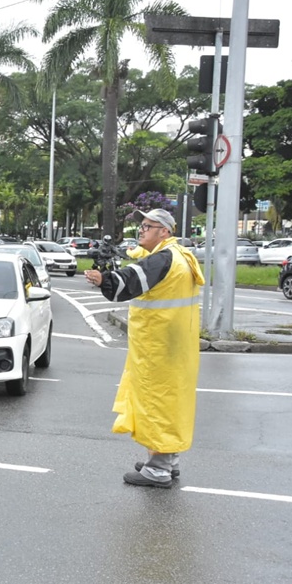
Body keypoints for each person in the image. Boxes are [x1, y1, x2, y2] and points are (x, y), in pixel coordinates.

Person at [84, 209, 205, 488]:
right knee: (170, 402)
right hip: (173, 345)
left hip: (158, 347)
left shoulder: (163, 259)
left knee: (156, 403)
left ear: (164, 232)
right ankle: (167, 459)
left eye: (147, 226)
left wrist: (104, 280)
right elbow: (141, 263)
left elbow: (130, 282)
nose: (141, 230)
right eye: (141, 226)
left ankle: (158, 469)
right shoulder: (178, 256)